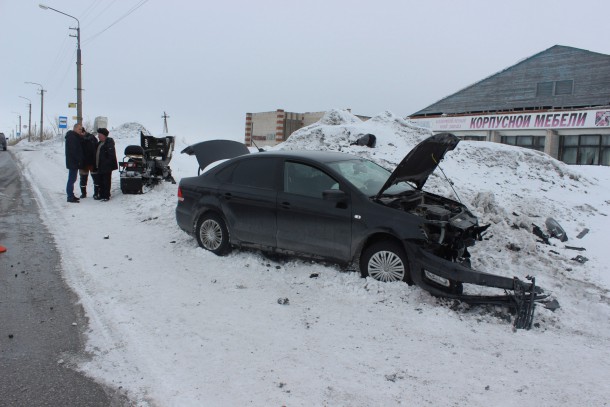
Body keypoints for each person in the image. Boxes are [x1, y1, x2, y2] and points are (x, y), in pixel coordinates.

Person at [94, 128, 118, 202]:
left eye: (99, 135)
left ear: (104, 135)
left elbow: (111, 156)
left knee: (106, 181)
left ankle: (106, 196)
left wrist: (106, 164)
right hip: (100, 166)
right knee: (101, 181)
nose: (98, 136)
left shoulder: (108, 143)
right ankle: (101, 195)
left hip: (106, 166)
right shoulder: (100, 143)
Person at [65, 123, 85, 203]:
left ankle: (71, 195)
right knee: (71, 179)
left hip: (73, 162)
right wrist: (79, 160)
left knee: (73, 179)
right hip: (73, 162)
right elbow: (74, 151)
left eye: (81, 129)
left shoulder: (74, 136)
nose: (81, 131)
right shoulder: (72, 137)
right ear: (75, 128)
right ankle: (70, 197)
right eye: (79, 129)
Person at [79, 129, 98, 198]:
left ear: (83, 132)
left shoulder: (90, 138)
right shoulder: (92, 138)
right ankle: (86, 193)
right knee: (84, 179)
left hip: (90, 162)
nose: (80, 134)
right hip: (87, 162)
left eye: (80, 133)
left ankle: (94, 193)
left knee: (94, 178)